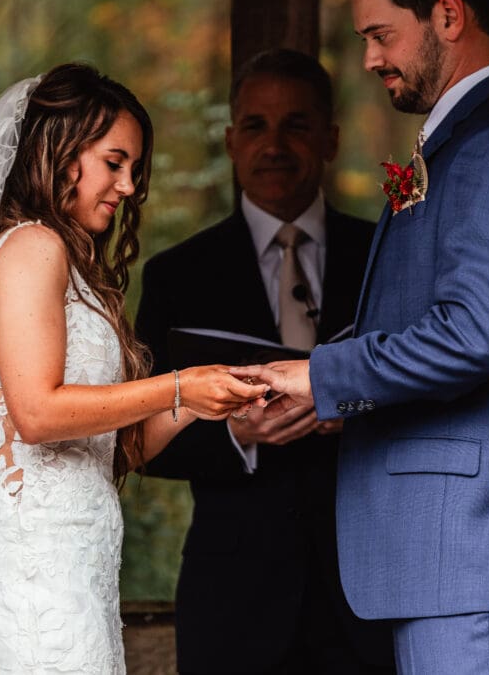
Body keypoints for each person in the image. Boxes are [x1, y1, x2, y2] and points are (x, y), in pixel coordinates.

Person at [232, 0, 489, 673]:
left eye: (381, 36)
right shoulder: (466, 140)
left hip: (478, 555)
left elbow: (474, 334)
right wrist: (346, 407)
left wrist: (321, 375)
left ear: (449, 16)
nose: (370, 58)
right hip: (454, 563)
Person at [0, 63, 267, 674]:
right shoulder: (35, 247)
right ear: (60, 152)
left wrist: (195, 400)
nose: (129, 186)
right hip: (32, 587)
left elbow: (117, 449)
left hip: (71, 582)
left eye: (135, 169)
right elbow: (36, 413)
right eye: (115, 162)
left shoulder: (70, 267)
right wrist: (175, 383)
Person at [135, 49, 395, 674]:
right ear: (230, 140)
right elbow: (140, 440)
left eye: (296, 125)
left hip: (371, 594)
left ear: (330, 139)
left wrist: (353, 408)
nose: (273, 144)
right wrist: (235, 435)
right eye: (255, 125)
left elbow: (431, 388)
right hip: (234, 601)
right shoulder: (177, 276)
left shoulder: (386, 256)